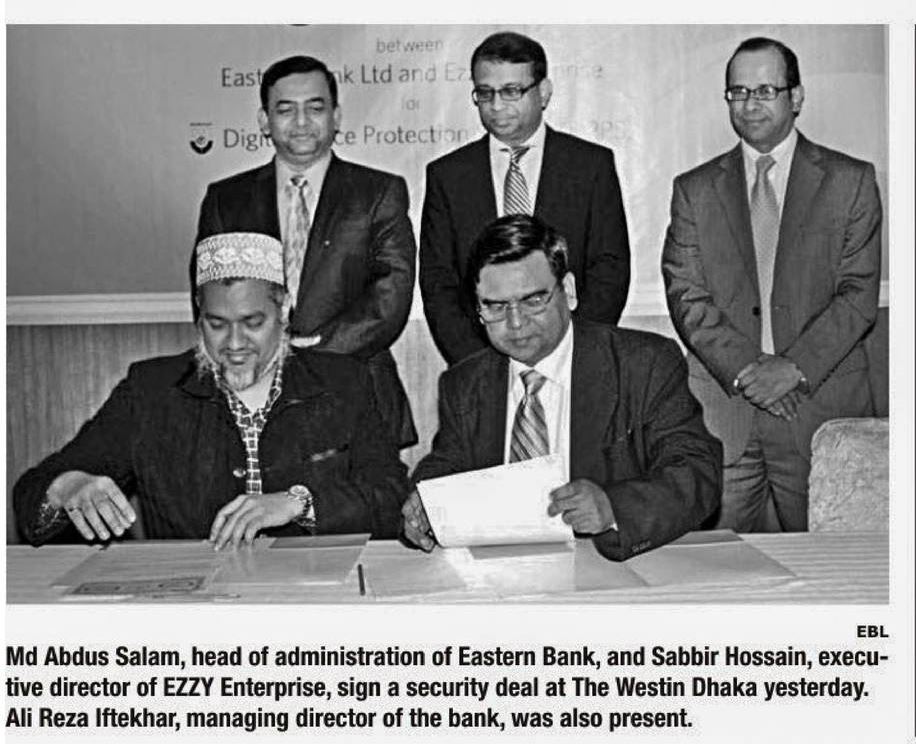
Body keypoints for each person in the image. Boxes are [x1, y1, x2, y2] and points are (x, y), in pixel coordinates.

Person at [15, 233, 408, 548]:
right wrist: (67, 487)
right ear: (198, 314)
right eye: (216, 324)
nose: (234, 343)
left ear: (284, 310)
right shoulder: (151, 391)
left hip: (312, 600)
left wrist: (300, 503)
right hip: (191, 606)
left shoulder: (343, 382)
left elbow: (391, 500)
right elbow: (32, 492)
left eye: (252, 323)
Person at [403, 215, 720, 561]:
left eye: (533, 300)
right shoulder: (464, 383)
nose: (515, 322)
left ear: (568, 291)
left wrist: (614, 508)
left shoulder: (644, 363)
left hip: (612, 567)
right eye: (496, 306)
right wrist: (424, 503)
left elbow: (696, 470)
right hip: (499, 572)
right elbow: (448, 465)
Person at [662, 37, 882, 532]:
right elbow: (685, 293)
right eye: (738, 92)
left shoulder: (850, 181)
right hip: (725, 413)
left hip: (820, 410)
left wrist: (793, 369)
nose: (749, 104)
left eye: (765, 90)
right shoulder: (693, 189)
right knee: (716, 567)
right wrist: (748, 372)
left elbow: (858, 295)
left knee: (831, 567)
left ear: (796, 97)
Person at [195, 55, 417, 447]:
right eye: (285, 110)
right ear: (264, 121)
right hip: (251, 395)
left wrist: (304, 360)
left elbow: (390, 296)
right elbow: (208, 298)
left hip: (355, 390)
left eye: (315, 108)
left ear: (336, 116)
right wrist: (262, 357)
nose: (301, 122)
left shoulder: (378, 192)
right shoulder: (226, 200)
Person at [420, 31, 630, 366]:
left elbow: (610, 269)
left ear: (543, 92)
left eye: (511, 91)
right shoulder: (448, 176)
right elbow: (438, 283)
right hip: (481, 363)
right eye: (485, 93)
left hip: (573, 359)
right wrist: (479, 365)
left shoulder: (590, 165)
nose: (496, 105)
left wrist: (572, 354)